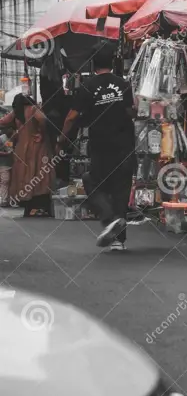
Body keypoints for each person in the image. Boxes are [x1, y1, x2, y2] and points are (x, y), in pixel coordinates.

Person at [58, 41, 135, 251]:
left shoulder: (87, 87)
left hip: (102, 146)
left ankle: (109, 218)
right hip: (125, 146)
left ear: (93, 63)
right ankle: (118, 240)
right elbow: (131, 111)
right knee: (121, 189)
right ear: (112, 62)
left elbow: (71, 117)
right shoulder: (124, 84)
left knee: (92, 181)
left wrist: (62, 138)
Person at [0, 94, 55, 216]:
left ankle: (27, 205)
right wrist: (40, 132)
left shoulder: (16, 112)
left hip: (21, 149)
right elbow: (44, 120)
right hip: (38, 146)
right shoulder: (33, 109)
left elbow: (2, 122)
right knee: (40, 175)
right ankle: (40, 205)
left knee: (23, 176)